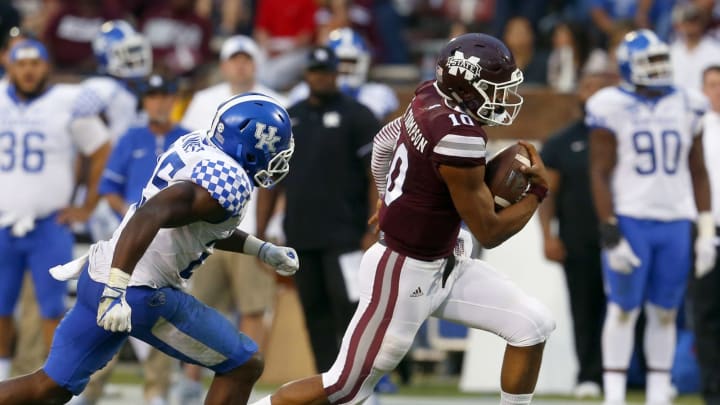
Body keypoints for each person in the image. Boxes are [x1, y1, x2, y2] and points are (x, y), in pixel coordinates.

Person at [252, 32, 556, 405]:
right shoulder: (458, 133)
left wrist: (386, 196)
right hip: (403, 270)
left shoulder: (430, 94)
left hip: (445, 260)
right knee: (344, 387)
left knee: (531, 325)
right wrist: (538, 193)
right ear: (467, 83)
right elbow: (489, 231)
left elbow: (383, 142)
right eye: (494, 86)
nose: (502, 96)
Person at [0, 92, 299, 405]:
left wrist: (261, 249)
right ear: (250, 148)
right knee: (243, 364)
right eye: (276, 148)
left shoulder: (200, 147)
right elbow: (151, 214)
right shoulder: (226, 182)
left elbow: (201, 225)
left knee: (49, 386)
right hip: (136, 289)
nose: (281, 156)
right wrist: (117, 291)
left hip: (101, 273)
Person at [587, 29, 715, 405]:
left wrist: (706, 229)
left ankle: (658, 393)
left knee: (665, 311)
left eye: (662, 60)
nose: (658, 69)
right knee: (623, 309)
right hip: (631, 217)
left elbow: (698, 170)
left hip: (676, 219)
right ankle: (614, 394)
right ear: (629, 67)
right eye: (650, 62)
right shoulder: (609, 104)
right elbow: (599, 171)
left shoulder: (688, 102)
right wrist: (609, 228)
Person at [256, 46, 381, 376]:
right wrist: (259, 232)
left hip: (347, 234)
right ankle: (327, 380)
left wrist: (374, 227)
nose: (321, 78)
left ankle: (363, 377)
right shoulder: (289, 117)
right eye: (315, 72)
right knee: (313, 310)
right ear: (307, 74)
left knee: (351, 305)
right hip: (301, 234)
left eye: (327, 72)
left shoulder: (359, 115)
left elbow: (376, 175)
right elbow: (271, 180)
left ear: (336, 74)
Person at [179, 33, 286, 404]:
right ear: (224, 65)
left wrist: (272, 225)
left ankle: (245, 379)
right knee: (200, 307)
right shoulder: (203, 102)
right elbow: (188, 156)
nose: (240, 65)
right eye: (234, 59)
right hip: (208, 222)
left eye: (246, 59)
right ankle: (190, 383)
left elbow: (284, 172)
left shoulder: (277, 103)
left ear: (255, 63)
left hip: (253, 225)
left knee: (253, 308)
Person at [0, 39, 111, 381]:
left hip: (49, 224)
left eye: (35, 63)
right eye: (22, 63)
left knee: (53, 308)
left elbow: (101, 147)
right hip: (3, 222)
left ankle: (54, 380)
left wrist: (87, 205)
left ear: (47, 67)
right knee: (1, 307)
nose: (29, 70)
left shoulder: (66, 102)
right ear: (10, 66)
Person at [96, 74, 187, 405]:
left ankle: (156, 391)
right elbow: (108, 189)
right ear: (144, 101)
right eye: (153, 96)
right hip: (128, 240)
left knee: (159, 315)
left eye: (166, 95)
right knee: (108, 310)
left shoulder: (189, 139)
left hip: (169, 243)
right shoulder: (131, 138)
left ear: (174, 99)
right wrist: (135, 217)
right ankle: (88, 387)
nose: (159, 102)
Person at [539, 71, 617, 399]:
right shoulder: (560, 141)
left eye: (602, 86)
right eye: (587, 85)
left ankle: (629, 373)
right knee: (584, 308)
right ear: (579, 95)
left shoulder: (625, 136)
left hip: (625, 234)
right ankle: (589, 375)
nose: (594, 92)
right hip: (578, 236)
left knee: (626, 308)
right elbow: (546, 194)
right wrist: (548, 236)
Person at [287, 27, 398, 122]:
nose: (345, 69)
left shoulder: (379, 95)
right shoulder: (302, 93)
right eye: (341, 62)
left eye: (351, 62)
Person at [694, 64, 720, 405]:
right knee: (707, 315)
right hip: (705, 230)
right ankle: (712, 392)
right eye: (712, 85)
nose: (718, 91)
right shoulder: (696, 128)